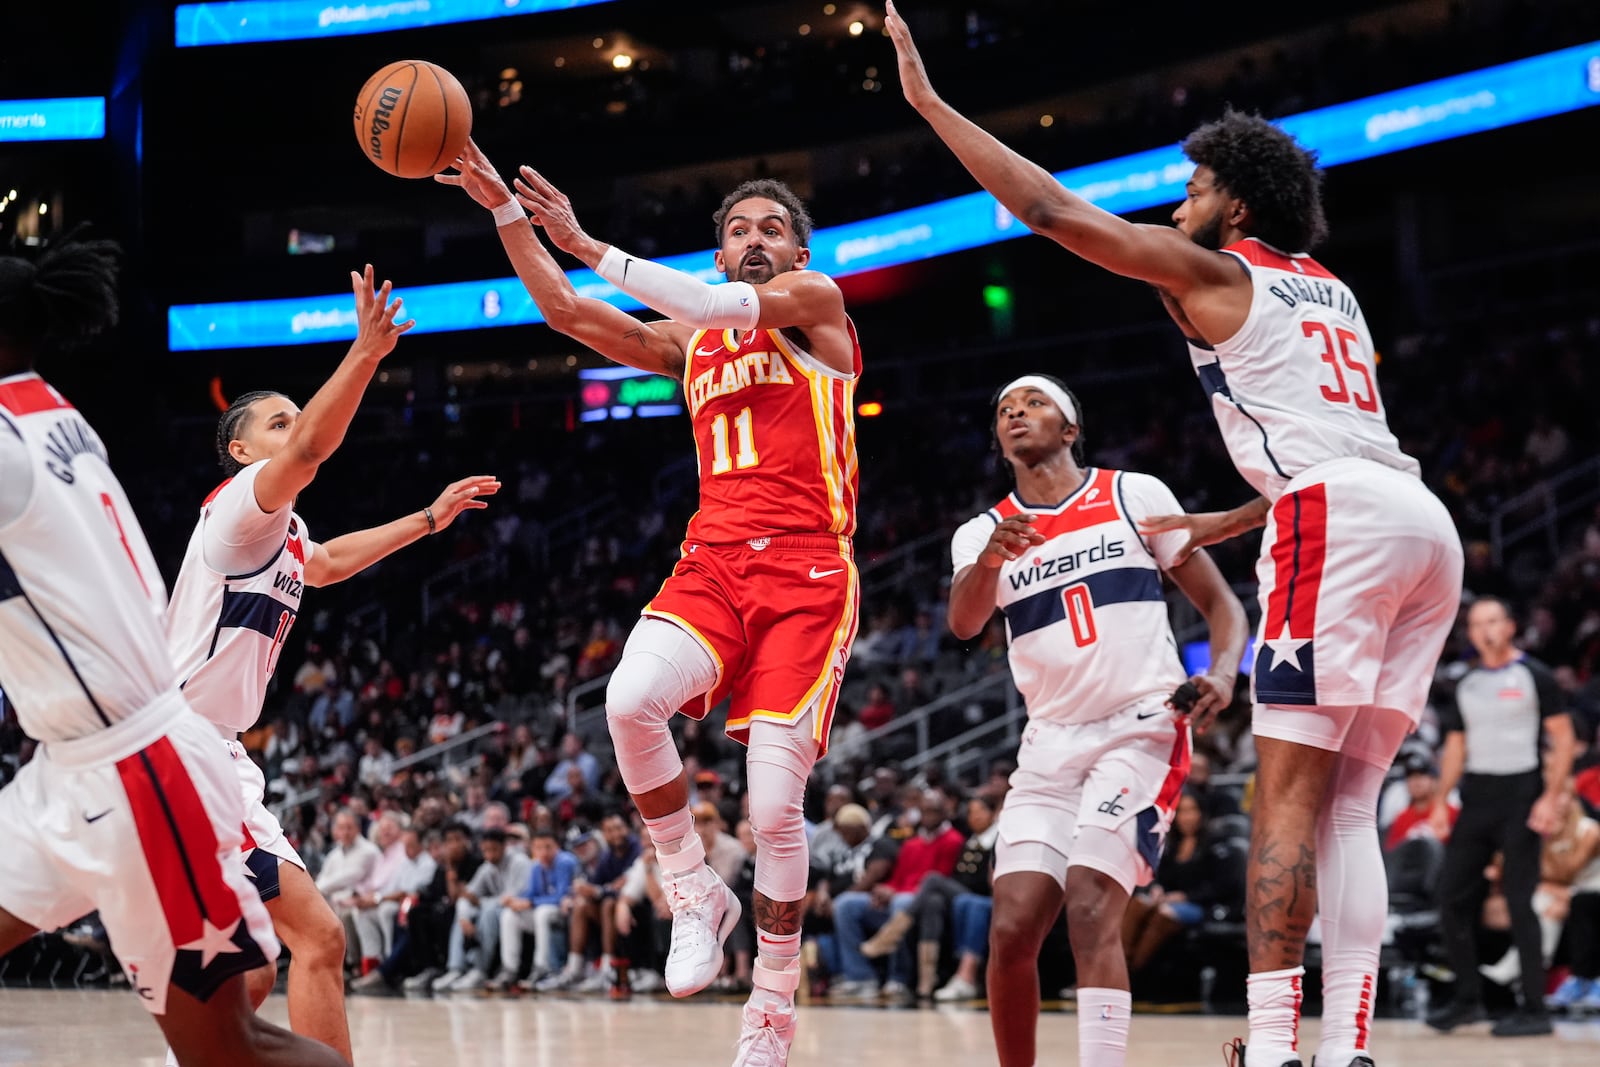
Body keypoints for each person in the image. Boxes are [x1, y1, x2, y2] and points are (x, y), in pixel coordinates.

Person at [887, 10, 1466, 1065]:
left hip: (1334, 516)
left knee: (1287, 789)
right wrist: (1239, 513)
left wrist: (930, 106)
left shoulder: (1218, 273)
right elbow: (1316, 434)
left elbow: (1045, 206)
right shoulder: (1331, 291)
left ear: (1236, 201)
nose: (1177, 202)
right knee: (1350, 801)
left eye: (1194, 188)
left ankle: (1282, 1047)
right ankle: (1344, 1048)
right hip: (1422, 524)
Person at [440, 140, 861, 1066]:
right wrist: (504, 213)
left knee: (774, 806)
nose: (755, 239)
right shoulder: (694, 343)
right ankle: (691, 884)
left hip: (807, 574)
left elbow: (700, 299)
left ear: (797, 254)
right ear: (718, 251)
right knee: (627, 702)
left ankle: (771, 1010)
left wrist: (586, 238)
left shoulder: (817, 307)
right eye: (738, 229)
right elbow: (560, 309)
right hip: (713, 560)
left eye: (773, 229)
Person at [0, 232, 344, 1066]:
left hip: (137, 773)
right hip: (76, 764)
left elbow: (312, 499)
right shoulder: (51, 409)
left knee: (234, 1045)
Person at [161, 264, 498, 1061]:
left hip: (218, 752)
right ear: (240, 449)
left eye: (291, 418)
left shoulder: (283, 531)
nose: (294, 428)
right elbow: (313, 445)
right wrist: (365, 354)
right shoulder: (239, 509)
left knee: (255, 966)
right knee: (318, 936)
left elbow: (328, 562)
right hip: (188, 744)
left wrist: (427, 517)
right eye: (277, 422)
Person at [942, 372, 1248, 1067]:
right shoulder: (982, 531)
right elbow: (963, 621)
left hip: (1139, 725)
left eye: (1034, 403)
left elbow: (1224, 607)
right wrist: (990, 560)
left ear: (1071, 428)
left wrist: (1224, 674)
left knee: (1088, 906)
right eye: (1005, 409)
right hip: (1049, 742)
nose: (1016, 413)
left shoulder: (1131, 493)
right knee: (1013, 927)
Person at [1427, 597, 1576, 1036]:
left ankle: (1535, 1008)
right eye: (1476, 624)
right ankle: (1468, 999)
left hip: (1522, 792)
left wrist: (1550, 797)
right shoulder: (1467, 682)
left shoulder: (1536, 675)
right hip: (1477, 795)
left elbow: (1563, 740)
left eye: (1493, 621)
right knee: (1451, 898)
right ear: (1470, 634)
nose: (1485, 630)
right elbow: (1455, 745)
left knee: (1518, 899)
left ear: (1510, 626)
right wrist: (1439, 801)